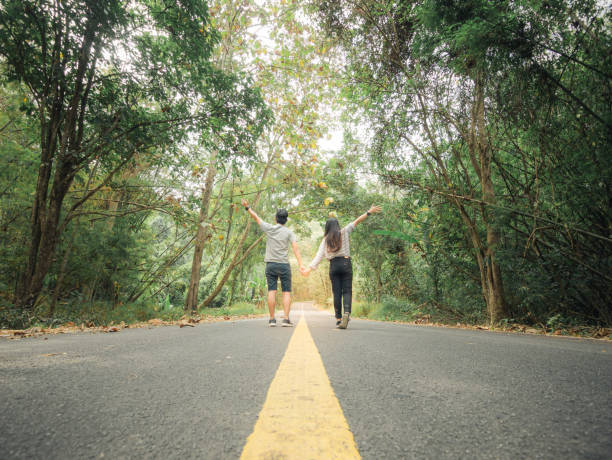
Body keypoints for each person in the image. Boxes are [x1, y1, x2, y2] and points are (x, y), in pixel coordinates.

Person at [301, 205, 381, 329]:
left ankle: (338, 319)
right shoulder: (344, 232)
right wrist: (369, 212)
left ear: (327, 228)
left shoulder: (325, 240)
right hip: (345, 263)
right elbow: (357, 221)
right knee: (347, 291)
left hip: (333, 266)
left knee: (336, 293)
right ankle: (346, 313)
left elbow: (318, 256)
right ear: (337, 225)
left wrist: (308, 269)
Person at [241, 198, 305, 327]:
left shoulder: (269, 228)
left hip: (270, 264)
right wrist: (300, 265)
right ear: (286, 220)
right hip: (284, 265)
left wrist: (247, 207)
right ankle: (286, 319)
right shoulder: (289, 232)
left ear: (276, 218)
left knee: (272, 291)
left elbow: (256, 217)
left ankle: (271, 319)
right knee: (286, 292)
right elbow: (295, 248)